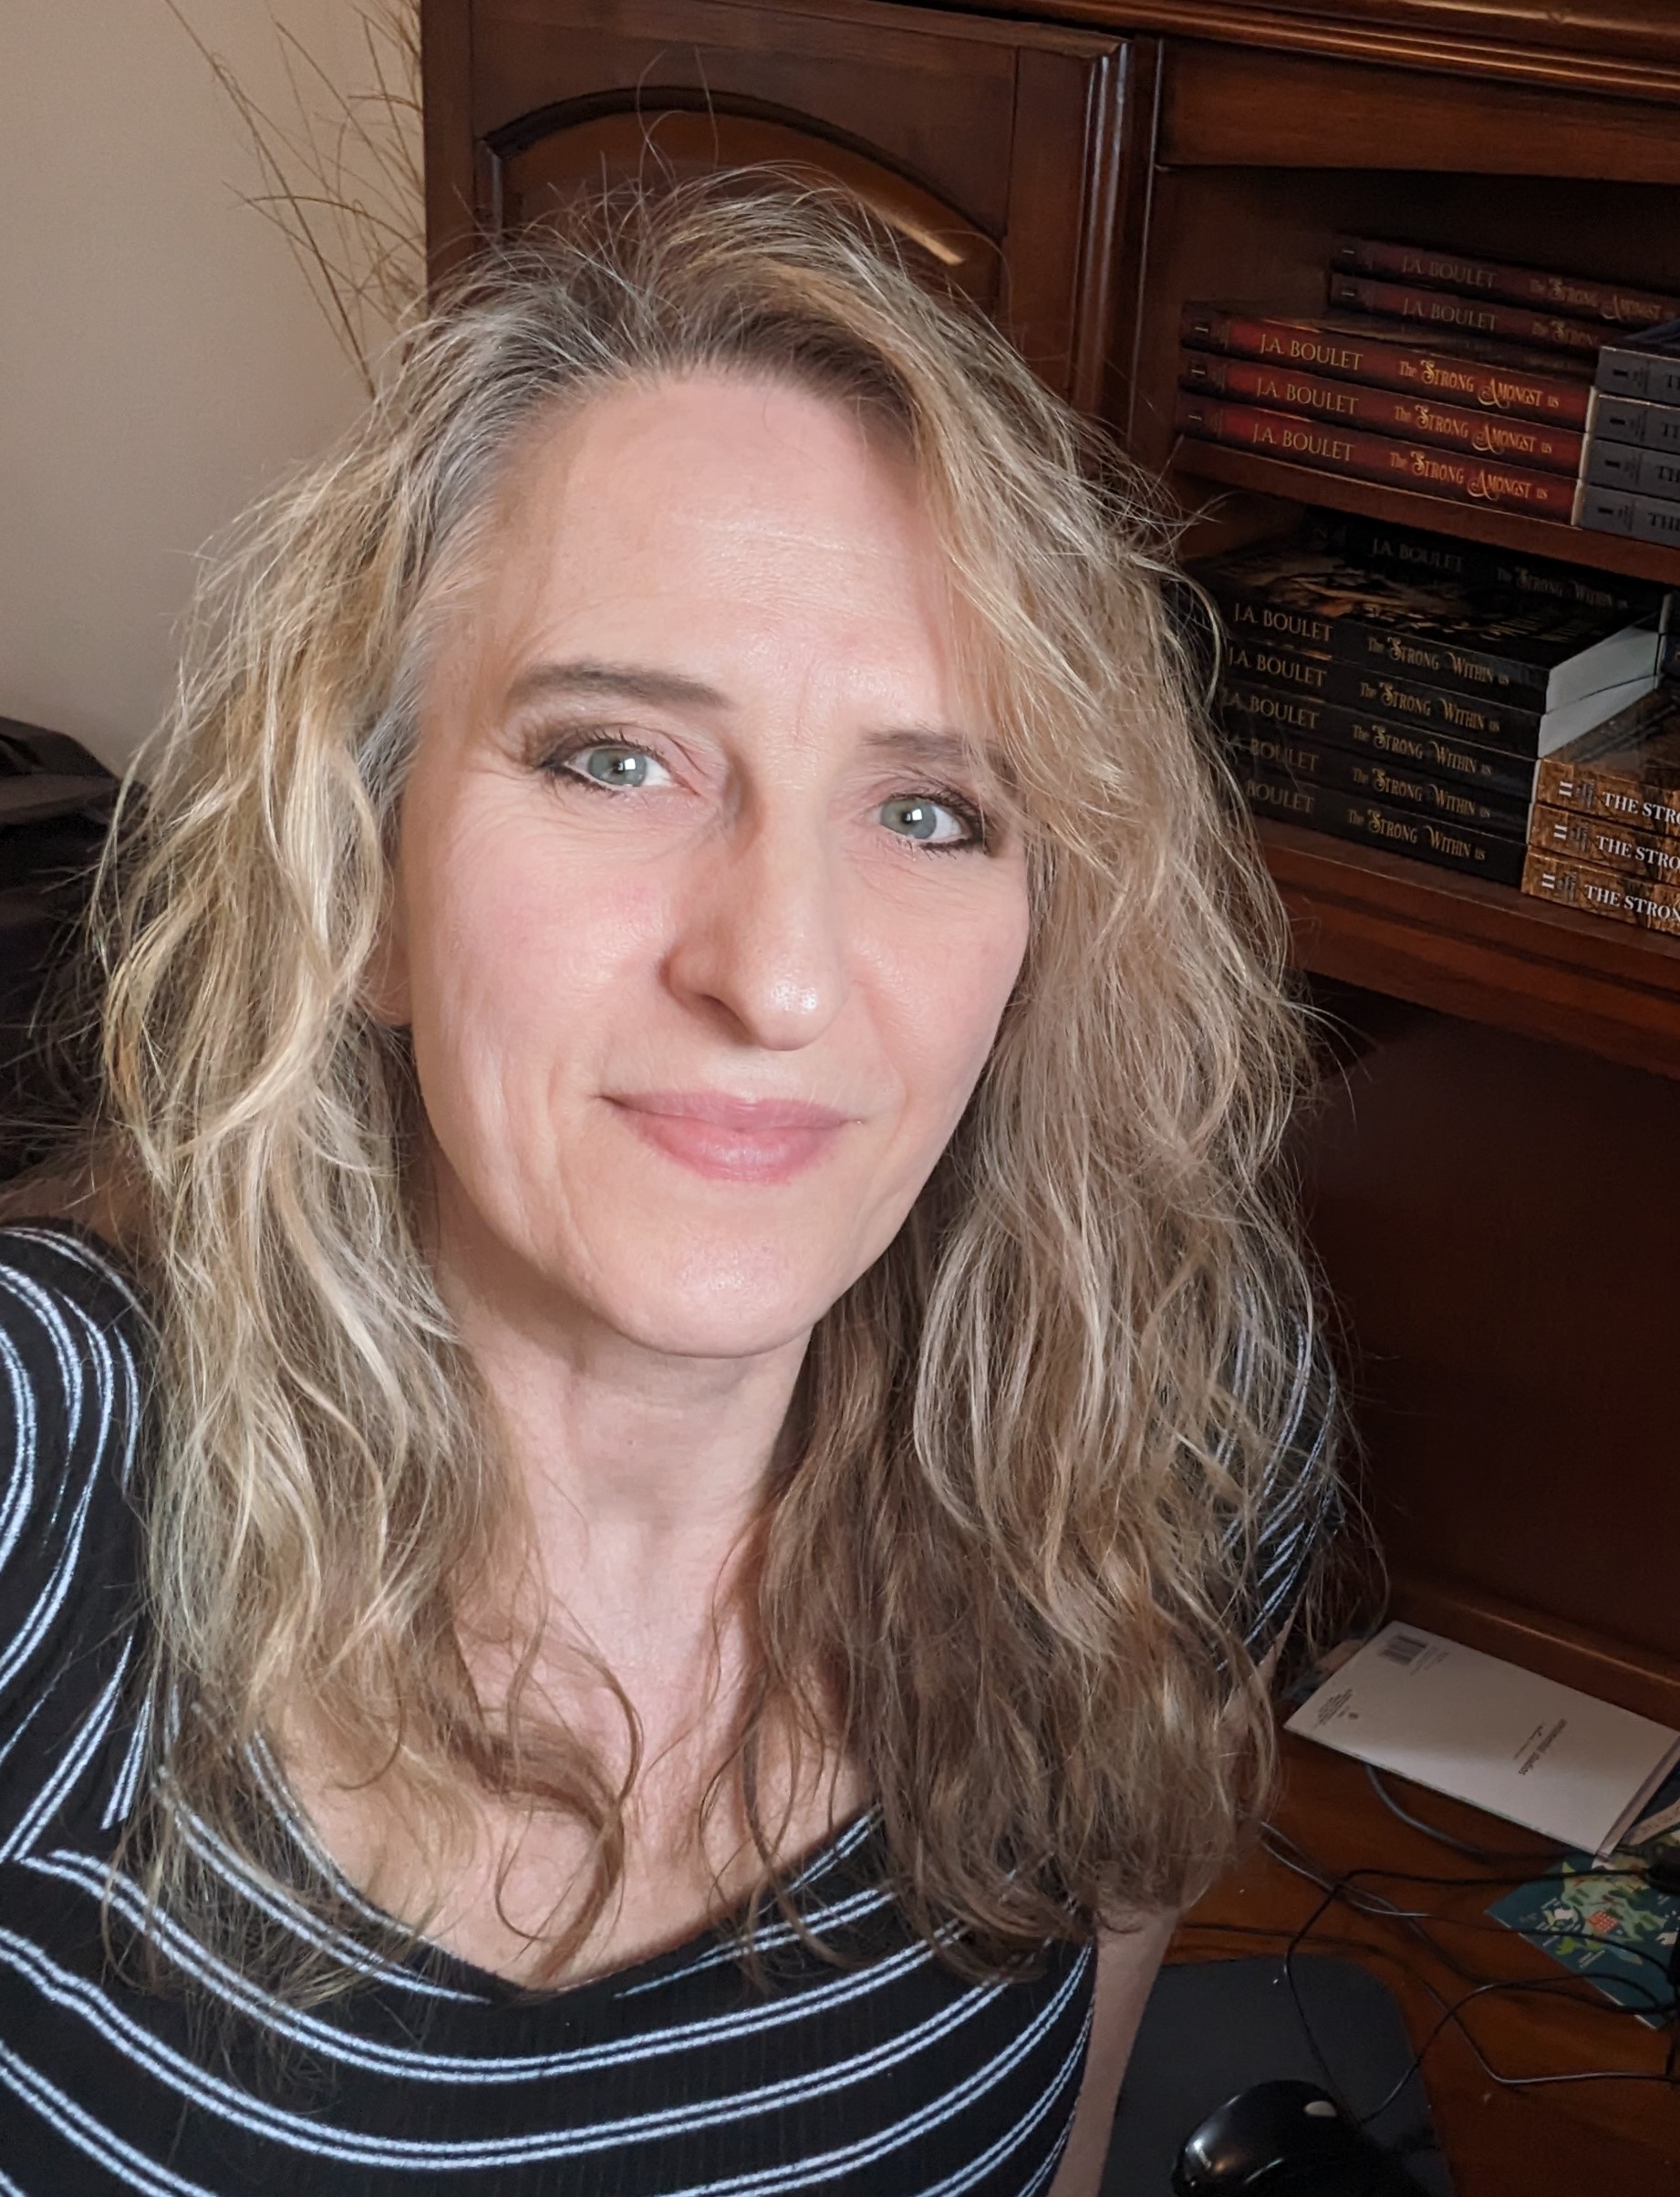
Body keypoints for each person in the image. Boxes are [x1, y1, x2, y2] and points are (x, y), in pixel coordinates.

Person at [0, 180, 1338, 2194]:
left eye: (928, 808)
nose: (780, 970)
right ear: (357, 884)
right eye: (614, 756)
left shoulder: (1158, 1429)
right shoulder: (44, 1472)